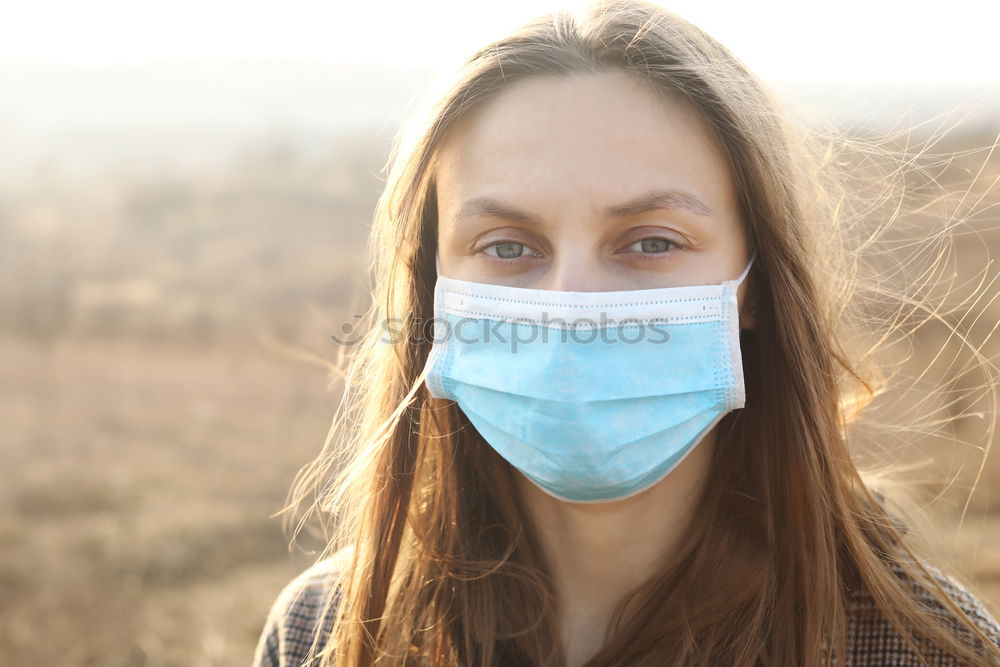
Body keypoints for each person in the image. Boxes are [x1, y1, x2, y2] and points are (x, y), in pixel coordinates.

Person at [253, 1, 1000, 665]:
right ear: (435, 291)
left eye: (650, 241)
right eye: (509, 247)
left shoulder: (924, 650)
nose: (574, 307)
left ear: (756, 285)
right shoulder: (328, 631)